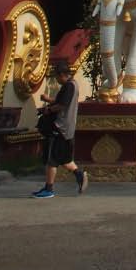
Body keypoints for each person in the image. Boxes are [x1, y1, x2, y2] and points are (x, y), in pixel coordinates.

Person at [32, 58, 87, 198]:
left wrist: (48, 111)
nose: (57, 80)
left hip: (61, 127)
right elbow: (60, 102)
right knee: (65, 159)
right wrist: (48, 100)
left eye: (57, 76)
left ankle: (48, 189)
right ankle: (79, 175)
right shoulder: (73, 85)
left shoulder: (69, 86)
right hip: (67, 127)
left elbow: (62, 105)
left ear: (62, 74)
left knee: (52, 159)